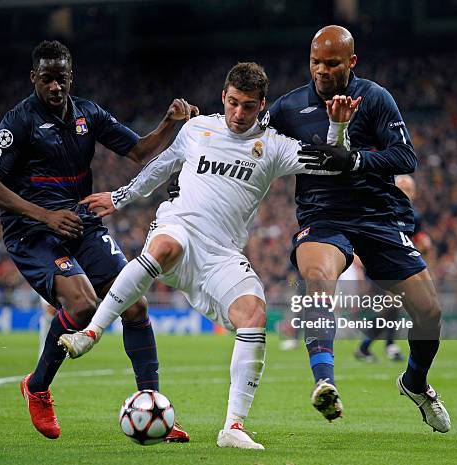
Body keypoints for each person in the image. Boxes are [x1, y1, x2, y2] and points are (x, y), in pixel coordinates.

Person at [58, 62, 356, 449]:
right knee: (166, 246)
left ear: (261, 104)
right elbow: (160, 166)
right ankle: (90, 333)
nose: (238, 114)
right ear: (223, 97)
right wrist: (119, 197)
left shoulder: (274, 146)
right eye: (232, 103)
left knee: (254, 314)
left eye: (248, 106)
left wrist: (339, 127)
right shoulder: (198, 129)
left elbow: (334, 164)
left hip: (221, 255)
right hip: (178, 229)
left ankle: (232, 427)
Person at [0, 40, 198, 441]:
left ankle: (150, 405)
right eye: (46, 79)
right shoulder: (18, 121)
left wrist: (170, 123)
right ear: (34, 78)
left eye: (61, 79)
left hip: (80, 223)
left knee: (135, 305)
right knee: (82, 306)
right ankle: (38, 387)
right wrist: (46, 215)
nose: (55, 87)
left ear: (70, 77)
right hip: (32, 232)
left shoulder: (88, 113)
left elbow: (138, 151)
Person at [267, 25, 451, 432]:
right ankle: (324, 382)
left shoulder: (375, 98)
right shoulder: (288, 107)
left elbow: (406, 157)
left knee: (429, 312)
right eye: (315, 62)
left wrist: (355, 161)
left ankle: (415, 383)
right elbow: (250, 143)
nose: (321, 71)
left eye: (331, 63)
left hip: (378, 217)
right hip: (323, 216)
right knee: (317, 278)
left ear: (351, 62)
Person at [354, 175, 430, 362]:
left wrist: (424, 244)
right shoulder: (380, 209)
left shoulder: (415, 216)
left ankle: (370, 346)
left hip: (400, 267)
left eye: (408, 189)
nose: (404, 192)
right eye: (400, 188)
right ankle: (385, 346)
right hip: (378, 266)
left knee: (393, 307)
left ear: (414, 193)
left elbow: (415, 240)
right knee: (393, 304)